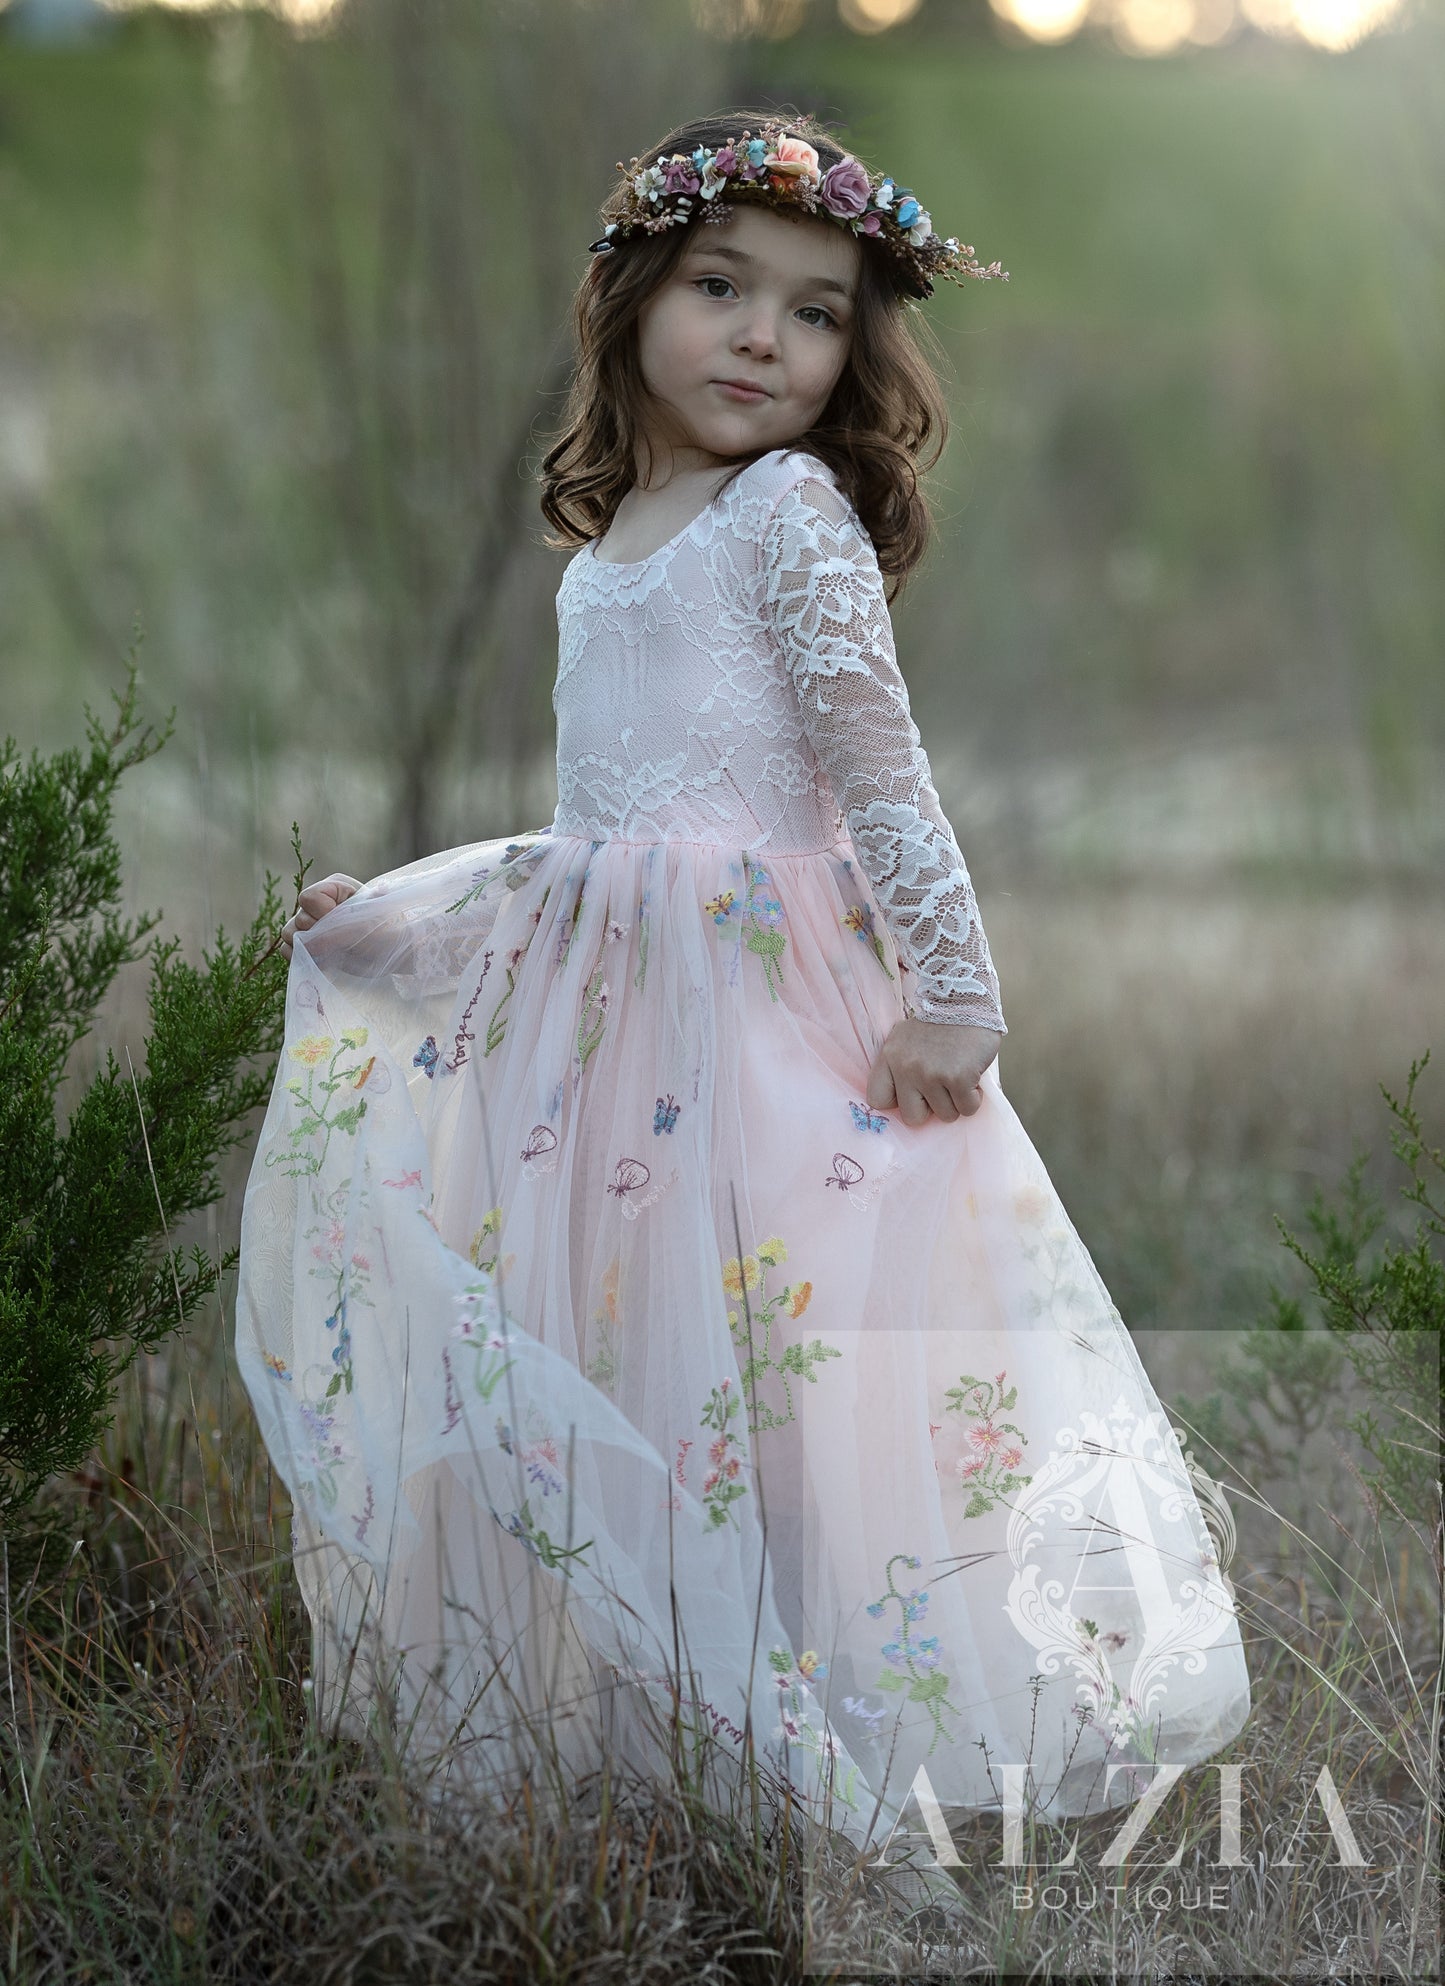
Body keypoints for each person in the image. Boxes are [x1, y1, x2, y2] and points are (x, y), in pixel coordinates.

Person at [237, 111, 1251, 1872]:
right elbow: (593, 844)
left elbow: (879, 768)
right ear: (628, 296)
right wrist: (398, 923)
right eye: (722, 288)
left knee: (780, 1394)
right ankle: (640, 1750)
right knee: (621, 1368)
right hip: (606, 1051)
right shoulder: (615, 539)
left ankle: (809, 1753)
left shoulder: (789, 513)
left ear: (856, 351)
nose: (764, 338)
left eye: (817, 311)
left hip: (774, 1030)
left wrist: (959, 986)